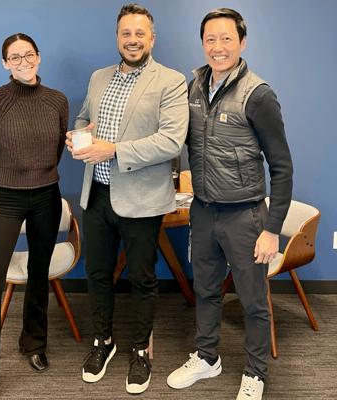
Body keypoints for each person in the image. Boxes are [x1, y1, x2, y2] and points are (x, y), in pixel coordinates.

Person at [167, 8, 293, 400]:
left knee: (253, 301)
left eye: (226, 38)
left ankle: (256, 373)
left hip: (245, 215)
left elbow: (282, 167)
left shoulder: (258, 94)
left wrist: (271, 229)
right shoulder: (192, 87)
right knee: (205, 290)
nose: (218, 47)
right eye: (210, 39)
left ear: (242, 42)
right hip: (203, 211)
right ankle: (207, 357)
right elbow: (176, 140)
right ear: (202, 43)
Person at [65, 3, 188, 395]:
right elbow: (84, 118)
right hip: (97, 194)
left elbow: (171, 141)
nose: (132, 40)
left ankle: (140, 350)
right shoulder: (99, 77)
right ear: (117, 37)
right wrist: (78, 136)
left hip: (142, 199)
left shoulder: (171, 81)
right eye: (126, 33)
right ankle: (103, 342)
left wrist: (113, 149)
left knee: (141, 278)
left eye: (139, 33)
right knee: (98, 274)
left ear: (152, 38)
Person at [0, 33, 69, 400]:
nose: (23, 61)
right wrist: (10, 183)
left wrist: (37, 179)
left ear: (39, 57)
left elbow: (56, 152)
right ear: (5, 63)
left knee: (39, 275)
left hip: (47, 197)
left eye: (28, 54)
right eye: (15, 57)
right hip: (6, 200)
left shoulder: (57, 101)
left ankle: (34, 343)